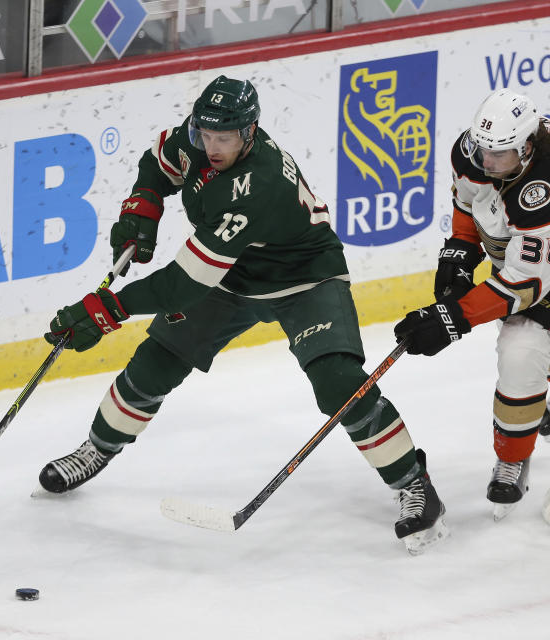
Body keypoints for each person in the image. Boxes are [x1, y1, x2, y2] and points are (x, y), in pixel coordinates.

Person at [36, 75, 448, 554]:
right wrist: (143, 207)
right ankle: (97, 448)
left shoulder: (257, 183)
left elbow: (185, 284)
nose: (211, 146)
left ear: (249, 133)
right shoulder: (194, 137)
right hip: (233, 276)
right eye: (206, 134)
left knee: (338, 381)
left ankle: (414, 484)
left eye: (224, 139)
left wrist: (111, 308)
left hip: (304, 278)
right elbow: (157, 164)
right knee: (158, 359)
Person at [393, 89, 550, 520]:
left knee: (524, 339)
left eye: (498, 154)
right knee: (537, 324)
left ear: (526, 147)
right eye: (482, 149)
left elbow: (525, 285)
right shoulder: (480, 152)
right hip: (538, 236)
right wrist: (461, 249)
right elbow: (471, 198)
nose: (485, 161)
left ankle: (513, 458)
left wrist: (454, 318)